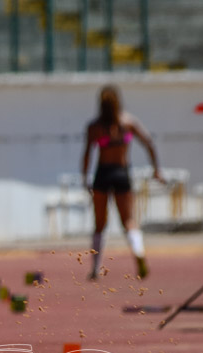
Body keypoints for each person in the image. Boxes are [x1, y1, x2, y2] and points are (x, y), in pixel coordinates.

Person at [81, 85, 163, 280]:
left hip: (103, 174)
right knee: (129, 221)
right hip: (121, 173)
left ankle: (95, 268)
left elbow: (87, 154)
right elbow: (149, 142)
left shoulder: (95, 126)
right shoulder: (127, 122)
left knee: (100, 224)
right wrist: (156, 169)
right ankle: (138, 252)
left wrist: (85, 177)